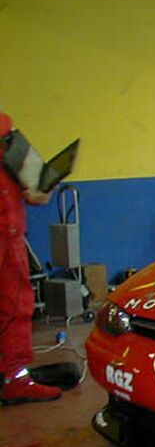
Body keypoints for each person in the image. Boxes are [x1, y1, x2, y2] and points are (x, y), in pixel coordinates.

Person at [0, 111, 62, 405]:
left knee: (15, 308)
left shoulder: (4, 127)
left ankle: (15, 377)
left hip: (9, 236)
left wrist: (35, 188)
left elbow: (13, 174)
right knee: (13, 307)